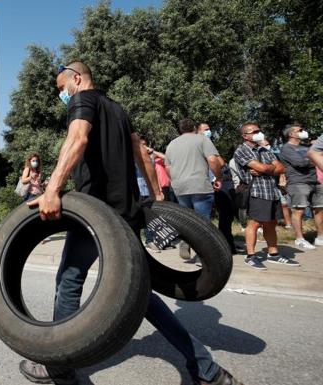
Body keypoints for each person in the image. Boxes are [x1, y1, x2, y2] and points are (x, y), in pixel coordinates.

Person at [18, 61, 242, 385]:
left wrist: (52, 189)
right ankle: (206, 369)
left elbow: (78, 139)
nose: (61, 95)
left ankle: (58, 365)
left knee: (69, 282)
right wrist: (157, 197)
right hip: (125, 213)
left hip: (95, 215)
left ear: (76, 79)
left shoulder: (83, 100)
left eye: (60, 87)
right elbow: (143, 153)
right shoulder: (118, 110)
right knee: (140, 292)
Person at [233, 123, 298, 269]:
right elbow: (264, 167)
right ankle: (250, 256)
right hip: (257, 191)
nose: (259, 133)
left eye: (259, 130)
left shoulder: (263, 149)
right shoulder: (242, 150)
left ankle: (273, 254)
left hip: (271, 191)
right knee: (254, 223)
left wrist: (265, 169)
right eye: (254, 131)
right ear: (245, 136)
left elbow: (281, 168)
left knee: (271, 223)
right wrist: (269, 168)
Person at [166, 119, 223, 261]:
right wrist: (218, 178)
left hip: (180, 186)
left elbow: (168, 167)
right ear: (194, 128)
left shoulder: (172, 144)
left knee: (187, 219)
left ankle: (186, 240)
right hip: (199, 185)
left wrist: (175, 181)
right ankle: (202, 255)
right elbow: (213, 160)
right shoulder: (202, 139)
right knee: (203, 222)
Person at [196, 123, 243, 254]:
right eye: (206, 130)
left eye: (209, 129)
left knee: (224, 215)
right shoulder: (203, 144)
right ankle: (222, 245)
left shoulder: (207, 143)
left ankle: (227, 242)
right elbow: (220, 162)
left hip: (214, 182)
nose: (209, 132)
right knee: (222, 215)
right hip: (213, 183)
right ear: (198, 131)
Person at [280, 124, 323, 248]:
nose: (304, 132)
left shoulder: (306, 147)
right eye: (300, 130)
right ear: (291, 134)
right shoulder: (286, 148)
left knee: (319, 209)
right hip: (298, 182)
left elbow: (310, 158)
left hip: (315, 181)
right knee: (299, 210)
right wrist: (314, 157)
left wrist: (312, 156)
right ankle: (299, 238)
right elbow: (300, 163)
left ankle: (320, 237)